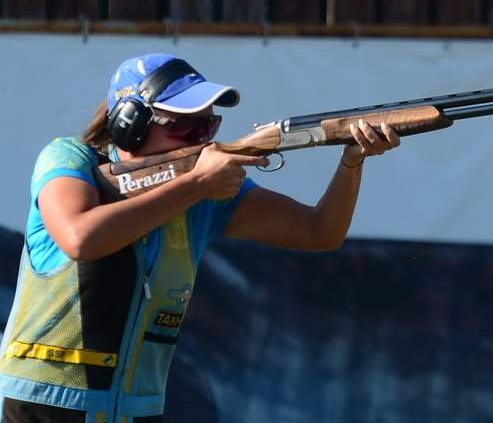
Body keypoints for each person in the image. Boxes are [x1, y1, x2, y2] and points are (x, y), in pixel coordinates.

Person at [0, 53, 400, 422]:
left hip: (138, 409)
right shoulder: (70, 159)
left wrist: (352, 162)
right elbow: (80, 238)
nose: (200, 138)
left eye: (208, 124)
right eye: (183, 125)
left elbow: (319, 231)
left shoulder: (210, 191)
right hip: (44, 404)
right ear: (129, 124)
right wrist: (195, 185)